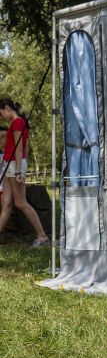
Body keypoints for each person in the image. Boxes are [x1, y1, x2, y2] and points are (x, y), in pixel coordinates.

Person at [0, 98, 49, 247]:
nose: (1, 117)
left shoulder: (18, 122)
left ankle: (42, 236)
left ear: (7, 108)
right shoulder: (16, 123)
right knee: (6, 204)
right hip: (9, 164)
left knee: (20, 203)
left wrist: (19, 172)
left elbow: (19, 148)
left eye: (1, 113)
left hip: (14, 166)